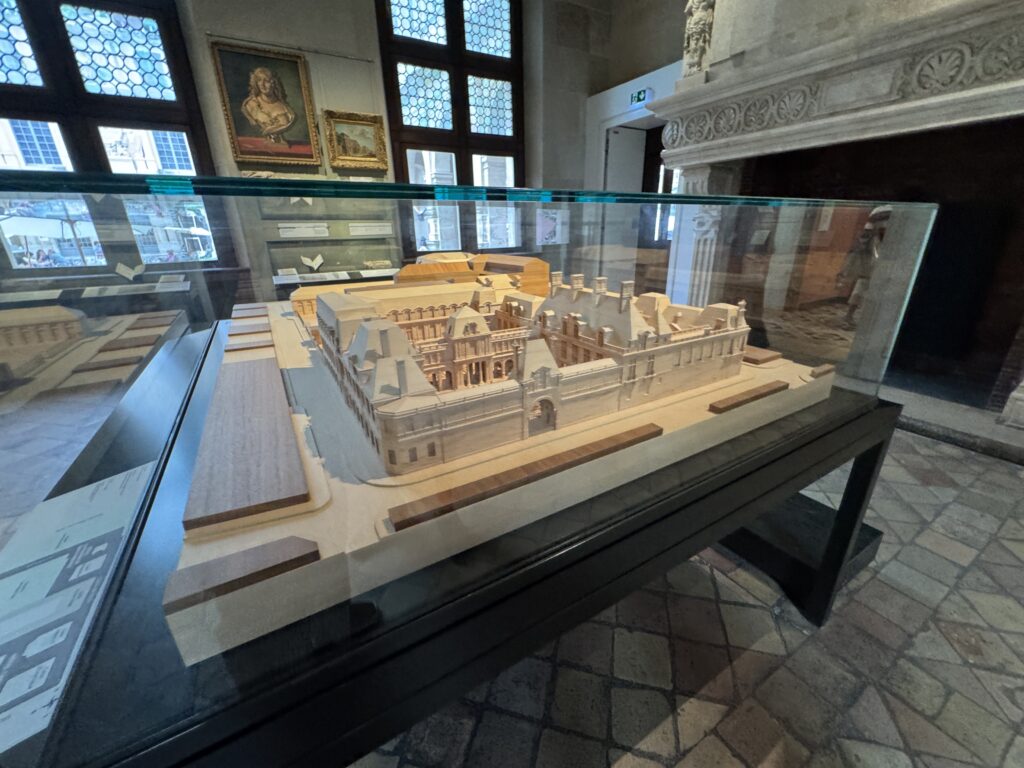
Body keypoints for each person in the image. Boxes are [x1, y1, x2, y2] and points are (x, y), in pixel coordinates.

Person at [837, 205, 891, 327]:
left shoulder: (878, 210)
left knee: (863, 282)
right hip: (887, 249)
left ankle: (850, 315)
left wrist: (862, 251)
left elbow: (867, 232)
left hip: (873, 247)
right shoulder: (901, 210)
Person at [241, 67, 296, 144]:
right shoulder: (251, 104)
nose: (262, 84)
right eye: (259, 80)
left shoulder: (285, 108)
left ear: (274, 83)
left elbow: (288, 122)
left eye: (266, 81)